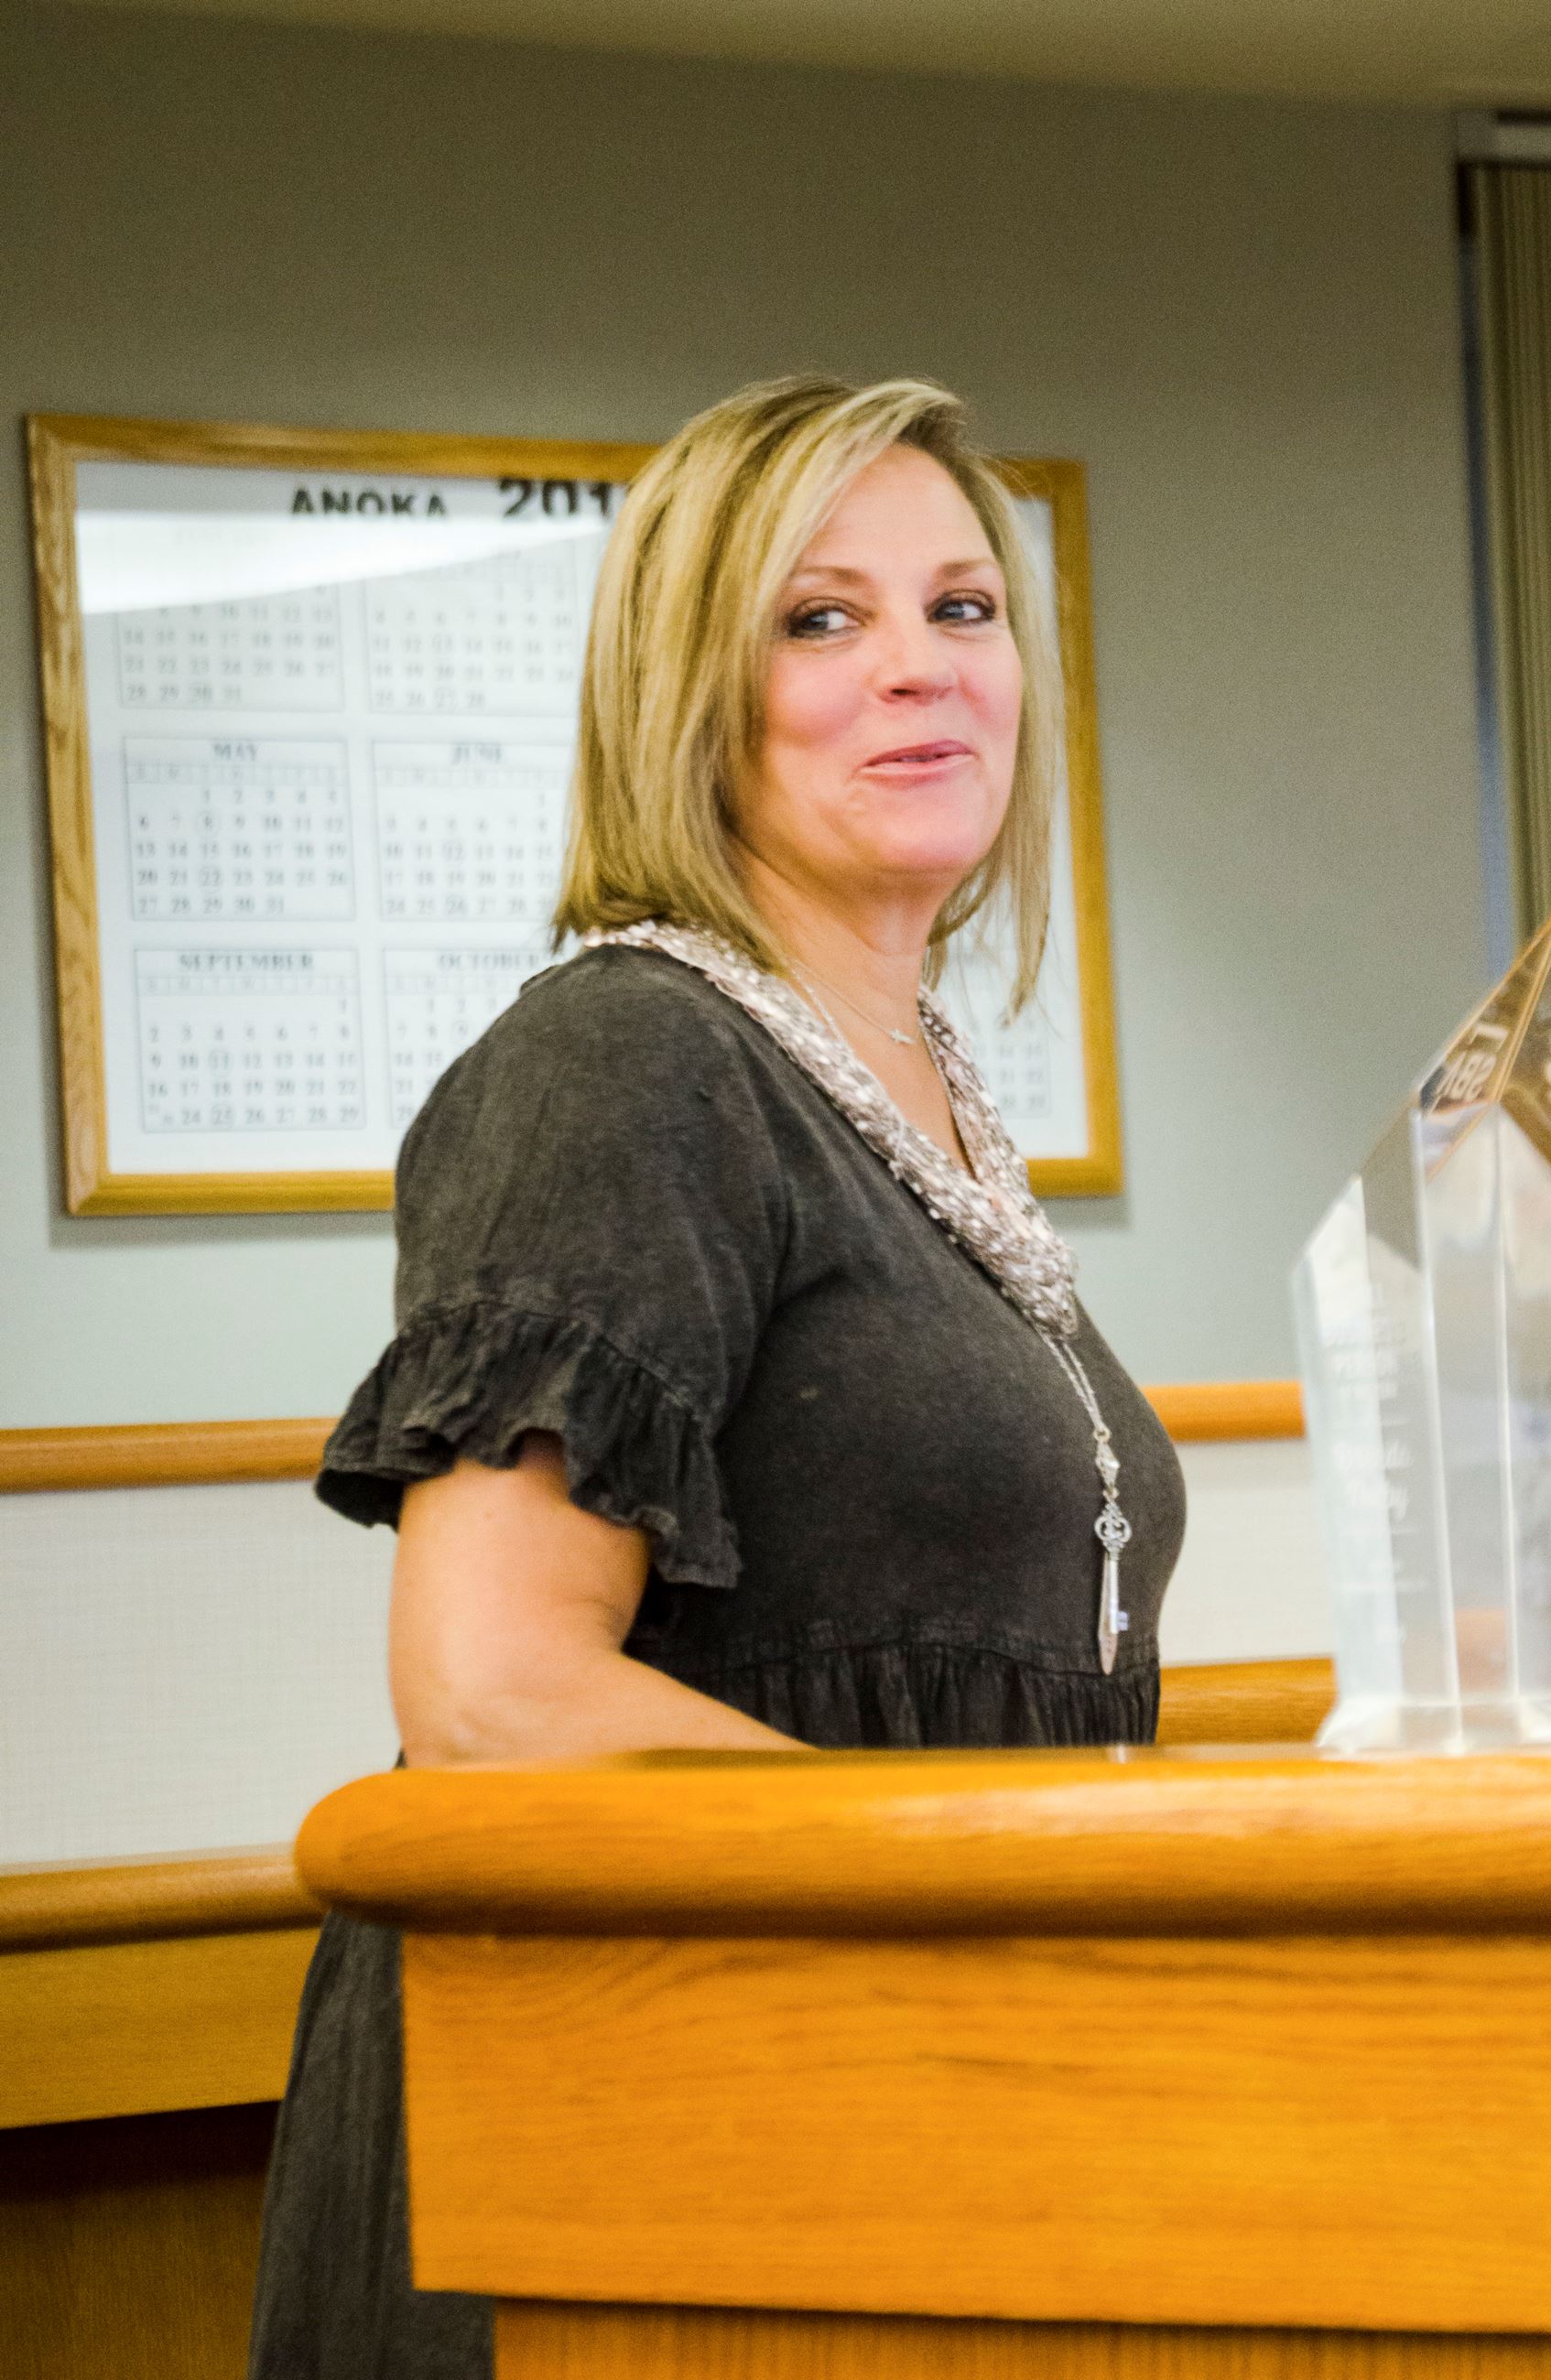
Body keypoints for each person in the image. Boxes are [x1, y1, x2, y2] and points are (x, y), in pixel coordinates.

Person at [247, 373, 1186, 2378]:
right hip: (623, 2150)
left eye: (963, 609)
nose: (920, 673)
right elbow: (493, 1690)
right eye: (819, 618)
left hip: (898, 2105)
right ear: (690, 692)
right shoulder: (631, 1061)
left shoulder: (920, 1100)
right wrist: (977, 1897)